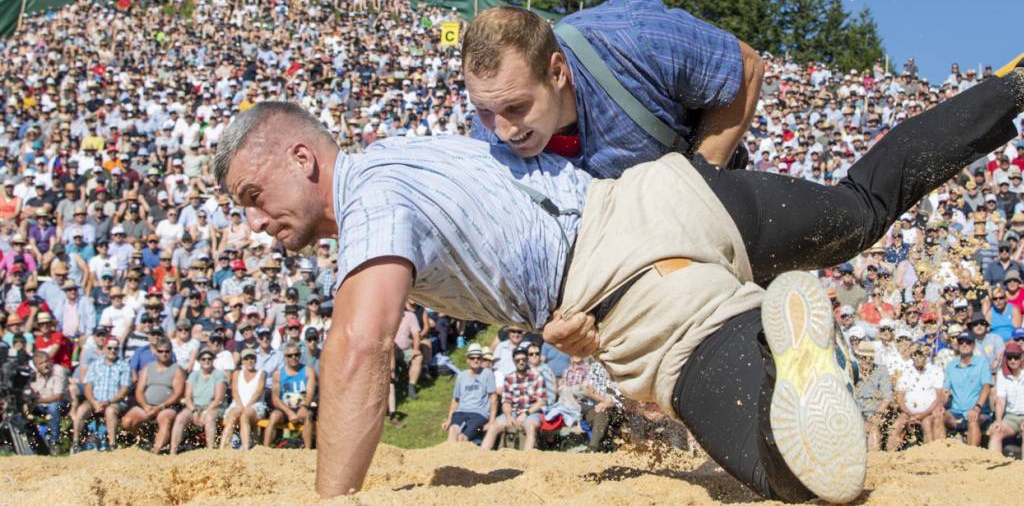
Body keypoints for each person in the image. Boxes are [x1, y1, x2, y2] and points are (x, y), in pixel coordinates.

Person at [214, 64, 1024, 504]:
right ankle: (1005, 90)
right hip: (674, 196)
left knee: (796, 476)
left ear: (302, 158)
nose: (253, 222)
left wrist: (332, 502)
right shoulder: (410, 152)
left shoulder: (368, 196)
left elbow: (359, 346)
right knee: (858, 208)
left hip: (638, 297)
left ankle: (786, 361)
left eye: (253, 198)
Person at [463, 0, 763, 174]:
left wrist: (698, 178)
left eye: (516, 107)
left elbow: (746, 69)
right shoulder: (486, 143)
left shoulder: (635, 37)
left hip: (702, 195)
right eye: (485, 110)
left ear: (556, 72)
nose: (504, 131)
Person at [121, 337, 186, 454]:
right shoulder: (148, 368)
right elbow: (139, 390)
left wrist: (160, 407)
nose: (164, 354)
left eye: (167, 351)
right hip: (147, 405)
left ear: (171, 352)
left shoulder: (177, 369)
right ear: (155, 352)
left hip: (166, 406)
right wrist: (145, 406)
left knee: (165, 420)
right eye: (161, 351)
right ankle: (143, 440)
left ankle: (155, 453)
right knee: (127, 421)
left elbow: (177, 394)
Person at [480, 346, 545, 452]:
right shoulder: (509, 378)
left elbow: (541, 401)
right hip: (513, 412)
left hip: (531, 412)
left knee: (531, 427)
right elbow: (506, 401)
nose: (521, 362)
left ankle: (526, 458)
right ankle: (482, 455)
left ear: (527, 360)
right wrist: (508, 416)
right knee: (493, 427)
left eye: (523, 360)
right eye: (518, 360)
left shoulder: (537, 376)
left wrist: (525, 414)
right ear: (514, 361)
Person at [72, 336, 131, 453]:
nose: (112, 351)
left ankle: (112, 445)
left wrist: (109, 402)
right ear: (104, 349)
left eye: (115, 348)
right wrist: (94, 402)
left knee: (110, 411)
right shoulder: (95, 365)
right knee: (81, 410)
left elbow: (124, 390)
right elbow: (88, 387)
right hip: (95, 400)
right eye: (109, 348)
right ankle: (75, 443)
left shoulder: (124, 366)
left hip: (114, 402)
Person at [170, 347, 228, 454]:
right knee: (180, 417)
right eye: (203, 359)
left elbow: (218, 399)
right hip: (195, 406)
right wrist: (194, 411)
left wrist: (205, 412)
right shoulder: (194, 375)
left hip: (213, 407)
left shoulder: (218, 375)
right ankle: (173, 451)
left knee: (209, 417)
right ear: (199, 361)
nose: (206, 361)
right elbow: (187, 397)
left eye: (209, 359)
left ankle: (210, 452)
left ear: (213, 360)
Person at [943, 331, 993, 447]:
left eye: (968, 342)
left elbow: (986, 387)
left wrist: (977, 407)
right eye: (961, 342)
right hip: (955, 411)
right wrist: (940, 405)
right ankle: (939, 457)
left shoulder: (982, 362)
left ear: (973, 345)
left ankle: (972, 457)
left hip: (977, 410)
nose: (964, 344)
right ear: (957, 345)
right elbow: (945, 391)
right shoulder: (951, 365)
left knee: (973, 418)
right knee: (938, 416)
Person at [264, 343, 317, 449]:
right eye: (290, 355)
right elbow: (275, 399)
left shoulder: (308, 370)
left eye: (296, 354)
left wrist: (304, 407)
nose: (294, 357)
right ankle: (265, 449)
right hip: (285, 408)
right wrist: (289, 412)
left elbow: (310, 393)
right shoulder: (278, 374)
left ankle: (307, 450)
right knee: (274, 416)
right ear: (285, 357)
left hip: (302, 406)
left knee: (308, 415)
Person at [442, 343, 497, 443]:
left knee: (462, 438)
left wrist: (491, 420)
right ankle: (449, 457)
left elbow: (493, 398)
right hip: (461, 412)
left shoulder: (487, 374)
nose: (475, 360)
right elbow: (455, 399)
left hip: (479, 415)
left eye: (478, 358)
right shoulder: (461, 376)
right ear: (468, 360)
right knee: (452, 430)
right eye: (472, 358)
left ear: (481, 359)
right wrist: (449, 418)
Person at [221, 348, 266, 451]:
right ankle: (222, 448)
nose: (249, 361)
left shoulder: (262, 373)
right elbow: (235, 392)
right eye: (246, 359)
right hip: (238, 403)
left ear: (255, 360)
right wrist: (241, 406)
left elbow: (258, 393)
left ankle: (245, 449)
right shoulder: (237, 373)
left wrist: (245, 407)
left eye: (252, 358)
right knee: (232, 416)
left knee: (245, 415)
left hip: (255, 405)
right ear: (242, 361)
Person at [850, 342, 892, 452]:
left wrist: (876, 415)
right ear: (859, 357)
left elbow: (887, 398)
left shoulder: (881, 370)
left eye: (870, 358)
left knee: (873, 427)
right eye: (864, 357)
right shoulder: (851, 371)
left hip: (875, 412)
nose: (867, 360)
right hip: (856, 413)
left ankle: (874, 461)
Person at [28, 351, 68, 449]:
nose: (45, 365)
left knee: (53, 407)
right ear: (36, 366)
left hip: (61, 404)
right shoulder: (33, 375)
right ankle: (30, 442)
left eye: (46, 361)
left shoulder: (58, 371)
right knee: (22, 408)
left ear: (50, 361)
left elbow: (57, 396)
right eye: (41, 363)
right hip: (40, 405)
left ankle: (55, 443)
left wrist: (37, 400)